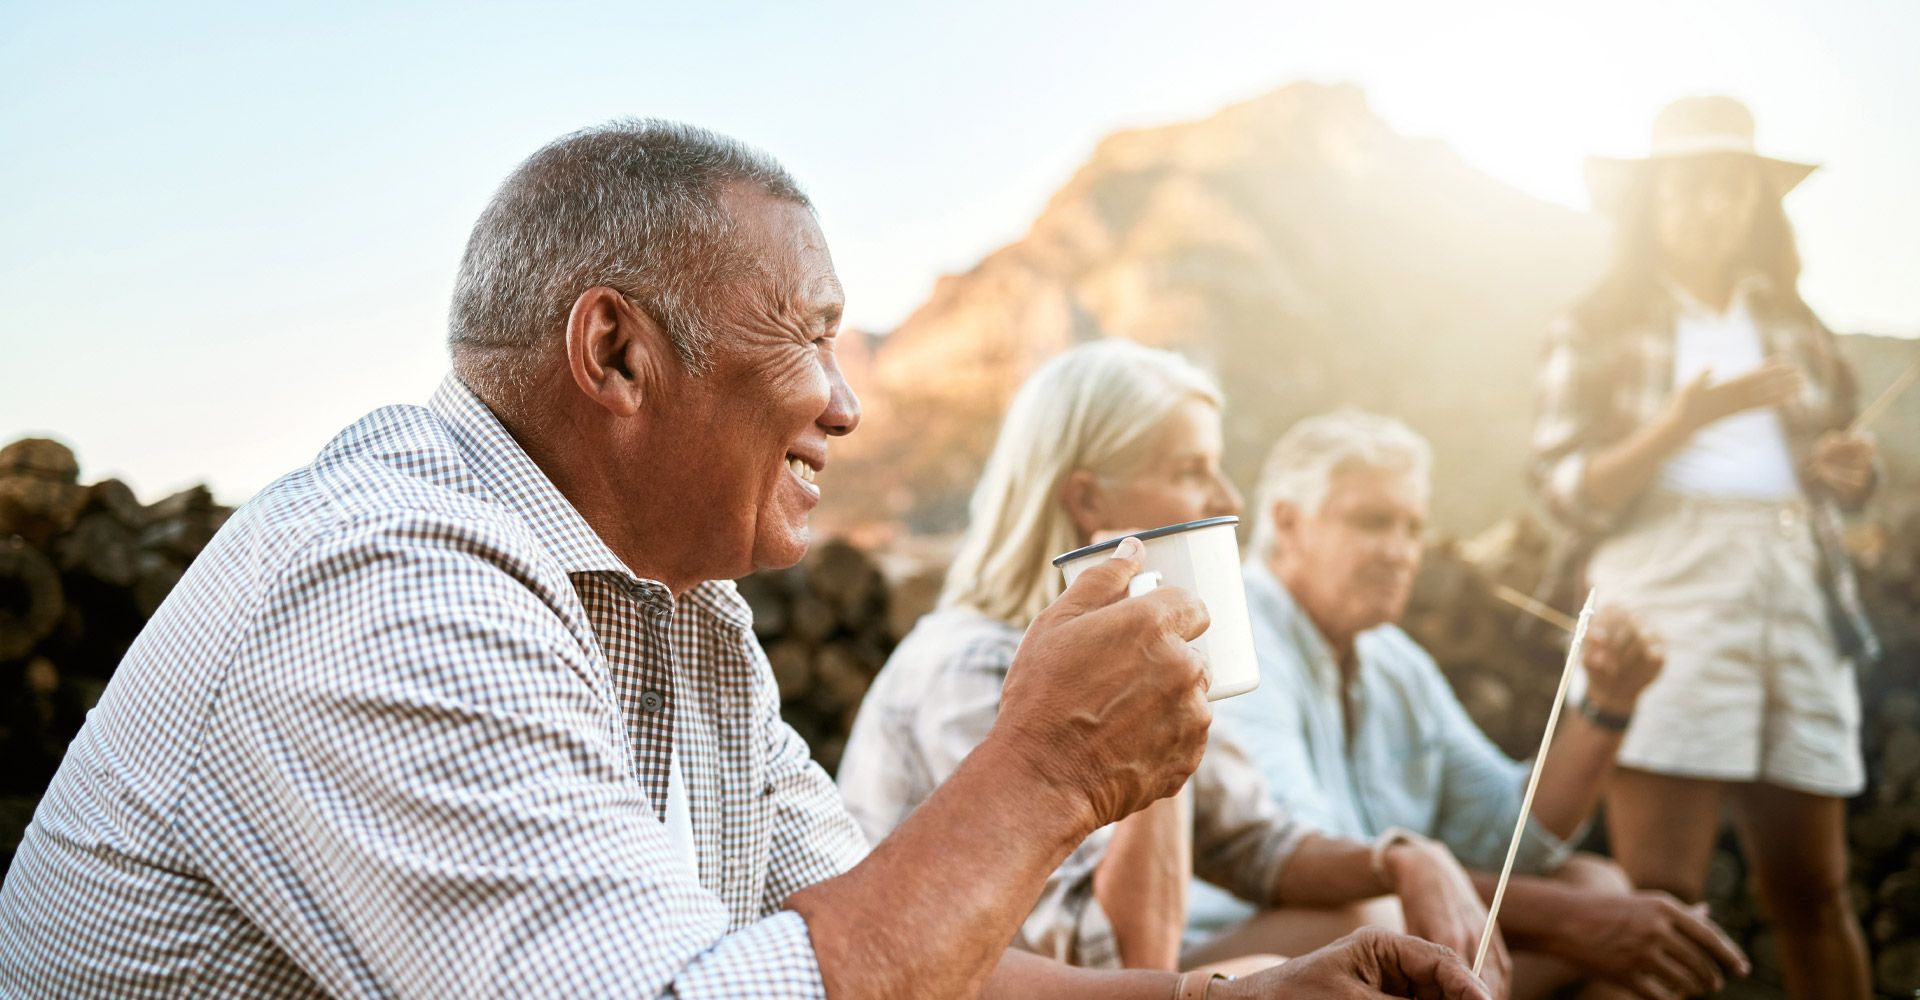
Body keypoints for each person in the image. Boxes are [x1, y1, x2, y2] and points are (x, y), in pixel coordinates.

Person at [0, 121, 1490, 1000]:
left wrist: (1245, 999)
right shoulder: (392, 584)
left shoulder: (683, 614)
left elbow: (915, 958)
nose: (849, 403)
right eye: (814, 337)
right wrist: (1046, 777)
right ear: (619, 352)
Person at [838, 342, 1511, 991]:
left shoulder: (1121, 655)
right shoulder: (973, 670)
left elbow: (1256, 845)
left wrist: (1402, 857)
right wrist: (1154, 684)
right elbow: (1126, 956)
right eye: (1192, 471)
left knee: (1365, 923)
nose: (1228, 500)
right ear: (1089, 503)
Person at [1208, 409, 1751, 1000]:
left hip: (1366, 924)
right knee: (1378, 931)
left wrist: (1607, 705)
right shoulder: (1241, 641)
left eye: (1412, 529)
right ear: (1288, 522)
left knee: (1597, 883)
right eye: (1373, 522)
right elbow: (1315, 869)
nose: (1399, 552)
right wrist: (1575, 923)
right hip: (1240, 953)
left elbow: (1509, 832)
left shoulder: (1392, 658)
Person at [1530, 95, 1878, 1000]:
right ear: (1651, 203)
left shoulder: (1798, 324)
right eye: (1688, 188)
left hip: (1795, 582)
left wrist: (1846, 472)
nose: (1711, 207)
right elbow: (1566, 489)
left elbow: (1836, 463)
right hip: (1667, 585)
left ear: (1757, 204)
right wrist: (1683, 422)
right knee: (1665, 900)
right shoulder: (1596, 325)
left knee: (1815, 890)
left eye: (1731, 188)